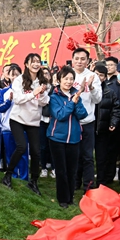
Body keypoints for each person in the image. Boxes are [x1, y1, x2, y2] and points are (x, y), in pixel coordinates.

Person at [1, 53, 49, 195]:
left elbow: (44, 102)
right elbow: (18, 99)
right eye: (32, 61)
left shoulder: (41, 81)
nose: (36, 64)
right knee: (21, 146)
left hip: (33, 121)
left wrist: (42, 93)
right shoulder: (19, 80)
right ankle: (8, 175)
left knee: (36, 152)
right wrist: (33, 93)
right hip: (18, 119)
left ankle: (33, 182)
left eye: (38, 61)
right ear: (26, 64)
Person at [47, 66, 88, 208]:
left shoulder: (76, 94)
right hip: (57, 138)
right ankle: (63, 198)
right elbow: (60, 115)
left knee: (72, 169)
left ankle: (70, 197)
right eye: (66, 78)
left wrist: (76, 102)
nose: (69, 81)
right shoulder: (54, 96)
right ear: (59, 80)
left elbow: (83, 115)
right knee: (61, 170)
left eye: (71, 79)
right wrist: (72, 102)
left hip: (74, 138)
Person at [70, 48, 102, 192]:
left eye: (83, 59)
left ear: (88, 61)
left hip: (88, 122)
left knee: (88, 156)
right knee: (73, 154)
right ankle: (74, 182)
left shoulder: (93, 76)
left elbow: (98, 99)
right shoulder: (67, 74)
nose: (79, 61)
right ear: (72, 59)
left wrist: (92, 87)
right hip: (70, 121)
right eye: (77, 58)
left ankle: (88, 186)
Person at [93, 64, 120, 186]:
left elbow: (116, 109)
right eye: (96, 74)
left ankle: (101, 182)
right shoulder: (85, 90)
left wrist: (113, 123)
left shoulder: (110, 92)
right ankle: (81, 181)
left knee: (102, 157)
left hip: (103, 130)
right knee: (85, 157)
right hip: (87, 128)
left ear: (105, 77)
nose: (98, 77)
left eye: (101, 75)